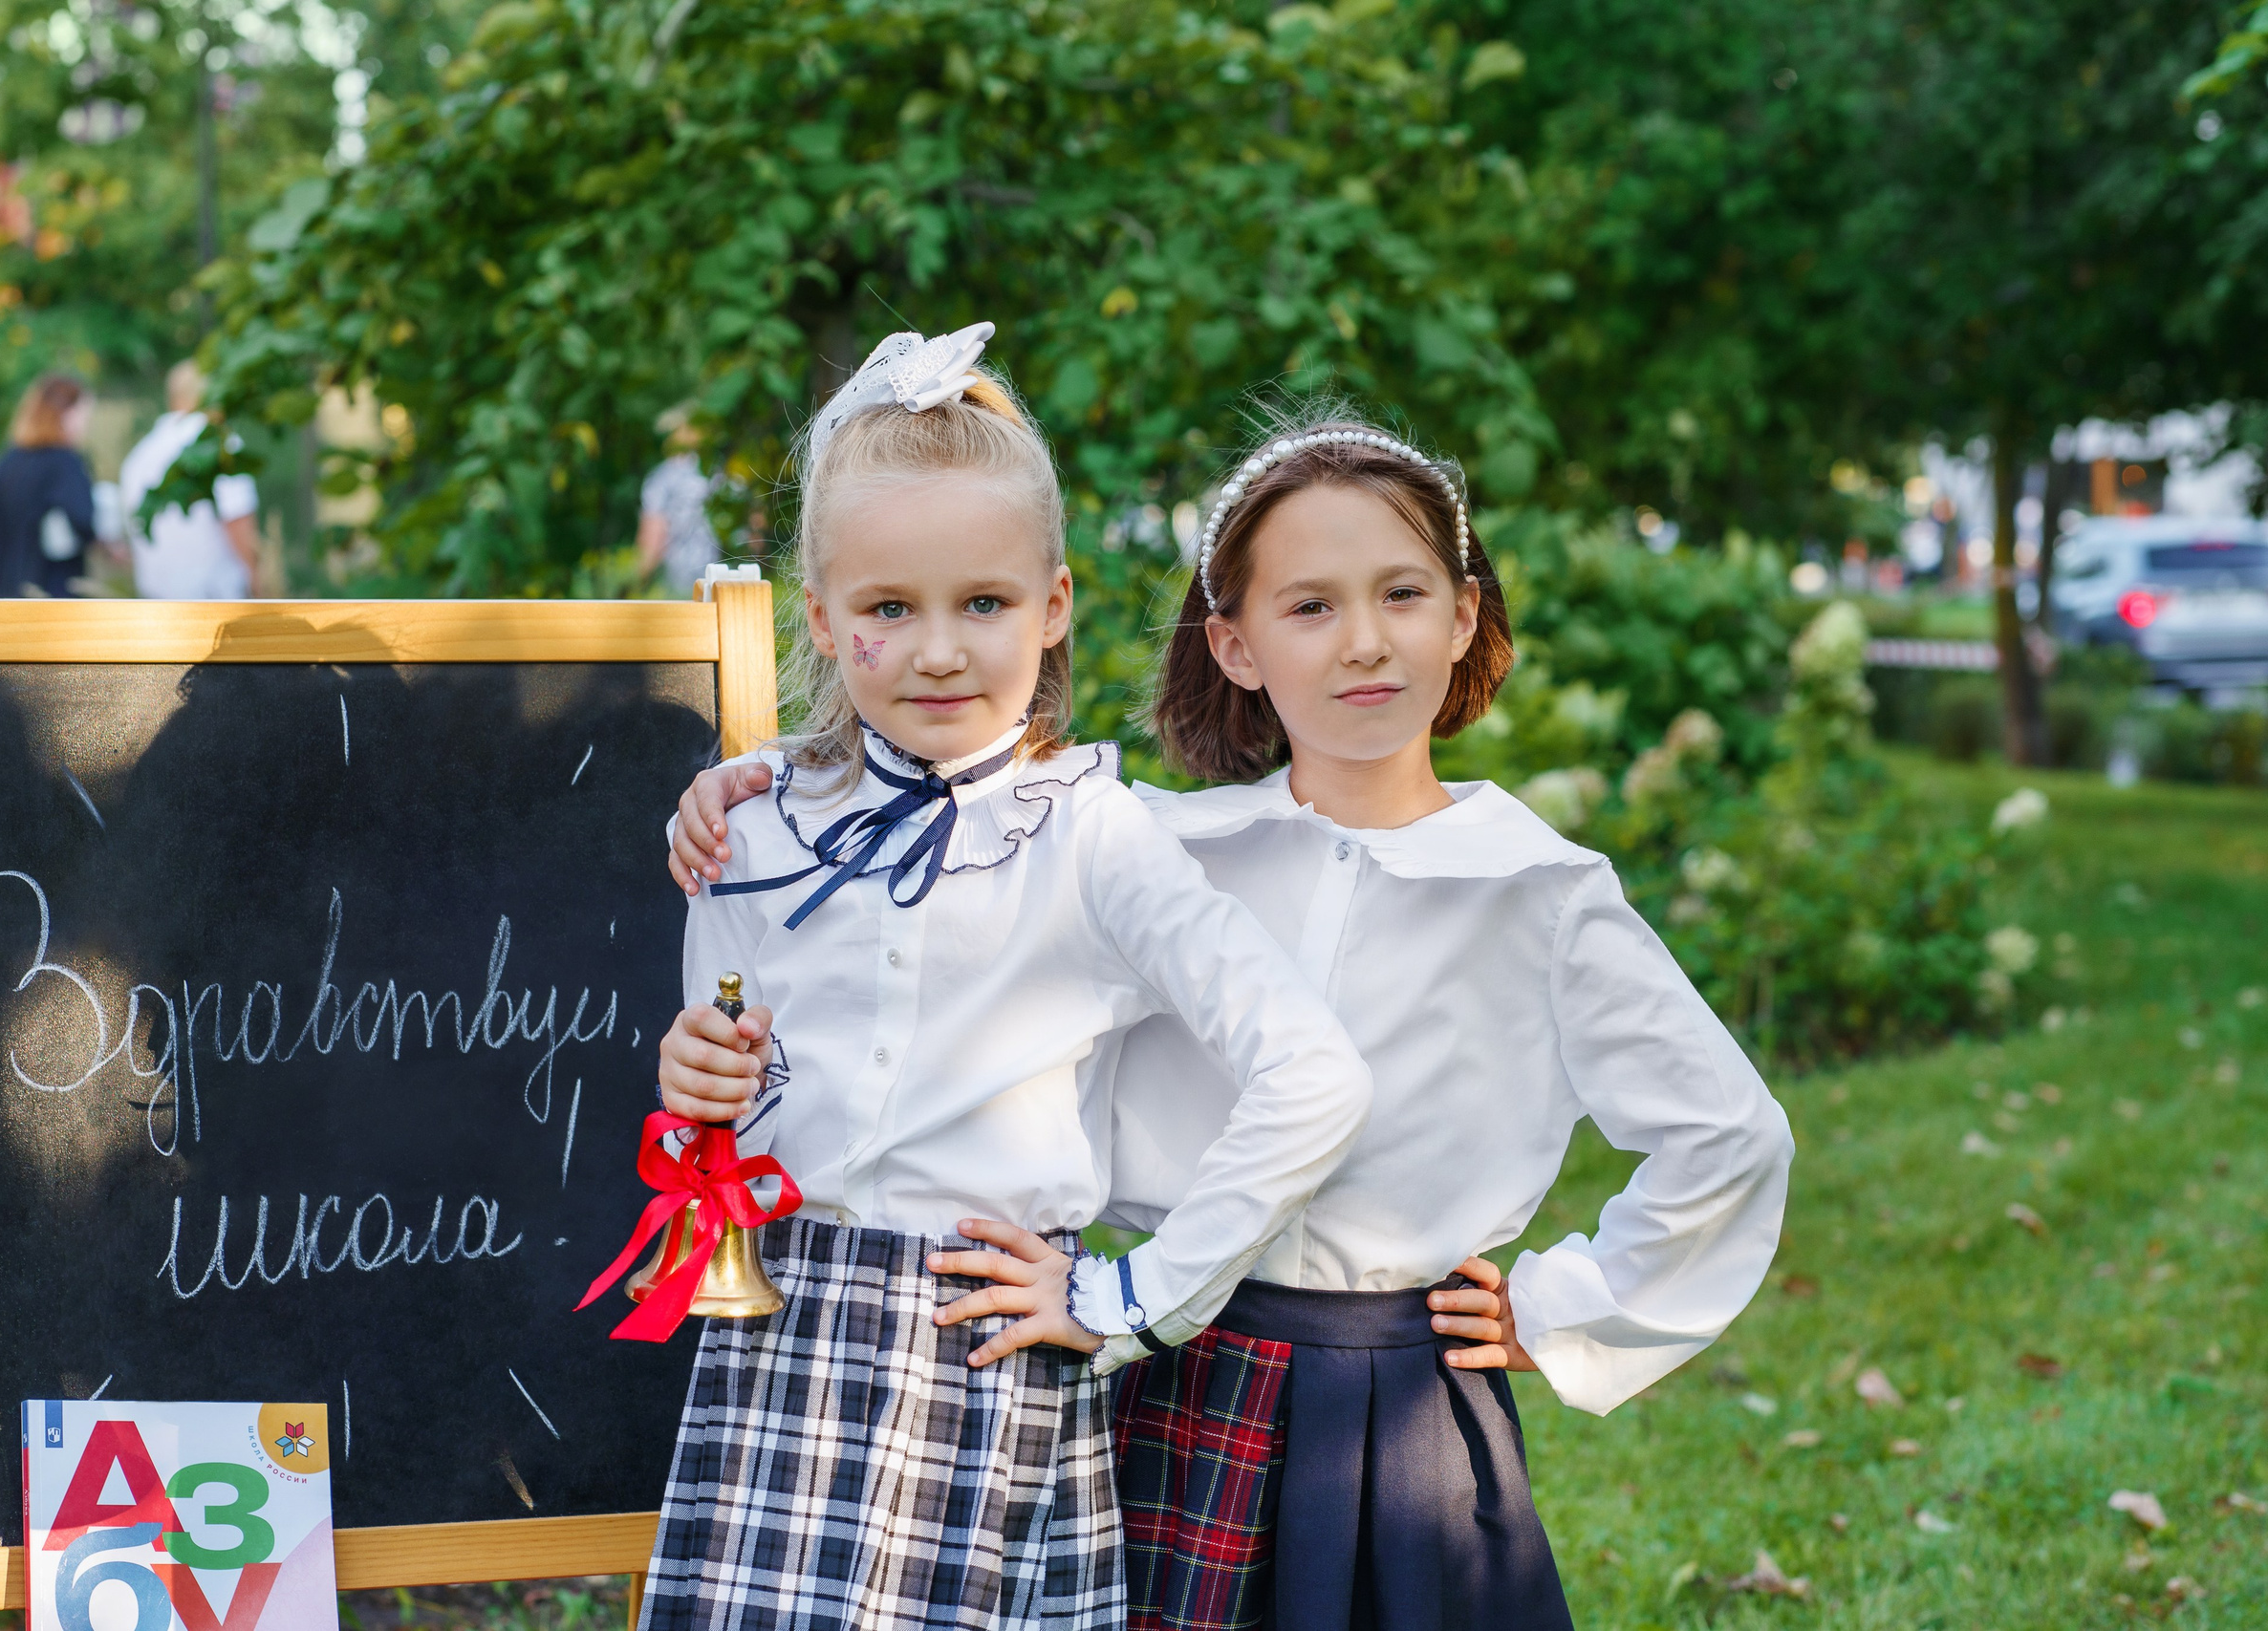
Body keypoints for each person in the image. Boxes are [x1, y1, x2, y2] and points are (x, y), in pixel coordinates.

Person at [668, 409, 1796, 1631]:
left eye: (1403, 593)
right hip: (1157, 1366)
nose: (1363, 641)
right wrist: (767, 783)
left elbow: (1729, 1137)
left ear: (1464, 615)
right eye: (1308, 607)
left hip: (1387, 1400)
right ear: (1236, 643)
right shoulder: (1161, 842)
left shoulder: (1539, 890)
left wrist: (1566, 1309)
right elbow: (965, 853)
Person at [622, 326, 1374, 1630]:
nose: (939, 652)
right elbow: (737, 1101)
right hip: (778, 1343)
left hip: (982, 1349)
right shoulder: (752, 830)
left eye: (984, 603)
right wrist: (697, 1085)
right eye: (887, 610)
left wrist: (1128, 1295)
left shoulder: (1093, 836)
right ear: (822, 617)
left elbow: (1313, 1074)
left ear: (1056, 604)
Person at [119, 361, 261, 600]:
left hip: (156, 602)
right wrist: (258, 581)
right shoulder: (218, 443)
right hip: (216, 600)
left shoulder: (139, 455)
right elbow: (237, 519)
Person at [0, 374, 97, 597]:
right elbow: (83, 518)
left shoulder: (9, 460)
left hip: (6, 586)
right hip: (49, 586)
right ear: (66, 413)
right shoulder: (65, 462)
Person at [637, 408, 724, 591]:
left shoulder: (662, 478)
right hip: (726, 578)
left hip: (680, 581)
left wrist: (639, 583)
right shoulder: (721, 474)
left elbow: (653, 538)